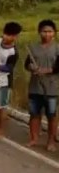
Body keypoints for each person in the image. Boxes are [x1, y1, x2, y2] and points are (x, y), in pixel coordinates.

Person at [25, 19, 59, 151]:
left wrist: (47, 70)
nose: (47, 34)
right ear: (39, 32)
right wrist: (32, 67)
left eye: (50, 31)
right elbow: (27, 64)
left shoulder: (57, 48)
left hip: (51, 88)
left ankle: (51, 141)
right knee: (34, 114)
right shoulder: (33, 47)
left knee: (52, 114)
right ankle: (34, 138)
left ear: (54, 34)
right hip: (35, 87)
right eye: (44, 31)